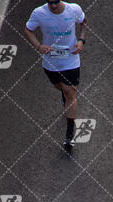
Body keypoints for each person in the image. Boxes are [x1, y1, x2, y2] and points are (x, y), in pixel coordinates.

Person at [24, 1, 88, 147]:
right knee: (60, 87)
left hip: (71, 59)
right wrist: (38, 46)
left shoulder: (73, 9)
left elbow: (84, 24)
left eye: (55, 2)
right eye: (50, 2)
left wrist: (81, 41)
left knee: (70, 93)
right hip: (50, 62)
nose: (53, 5)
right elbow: (28, 31)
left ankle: (69, 134)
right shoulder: (39, 13)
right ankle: (63, 95)